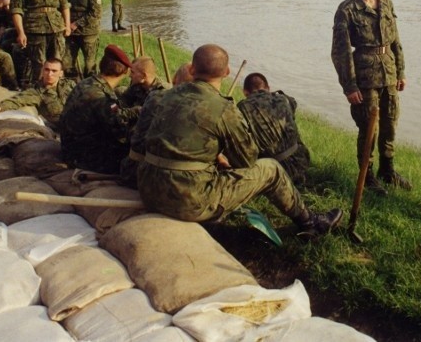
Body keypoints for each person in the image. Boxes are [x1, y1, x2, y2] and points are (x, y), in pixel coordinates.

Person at [135, 44, 342, 238]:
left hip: (148, 189)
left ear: (192, 68)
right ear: (227, 73)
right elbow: (247, 160)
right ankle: (311, 224)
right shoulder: (224, 109)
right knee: (270, 169)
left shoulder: (160, 97)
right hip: (186, 201)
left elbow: (153, 141)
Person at [331, 0, 410, 195]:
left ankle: (388, 170)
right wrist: (349, 86)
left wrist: (401, 71)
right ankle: (368, 176)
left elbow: (395, 41)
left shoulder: (386, 3)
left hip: (389, 73)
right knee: (369, 129)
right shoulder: (347, 10)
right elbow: (341, 51)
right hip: (365, 78)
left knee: (390, 126)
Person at [59, 44, 140, 174]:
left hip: (70, 148)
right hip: (85, 158)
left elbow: (111, 114)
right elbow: (119, 133)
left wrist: (133, 111)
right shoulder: (103, 97)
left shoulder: (87, 82)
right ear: (124, 72)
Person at [237, 72, 311, 187]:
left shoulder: (242, 108)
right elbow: (293, 104)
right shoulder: (284, 99)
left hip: (274, 172)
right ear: (268, 88)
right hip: (301, 161)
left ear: (245, 92)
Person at [11, 0, 71, 88]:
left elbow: (64, 4)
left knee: (57, 62)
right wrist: (21, 32)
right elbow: (16, 10)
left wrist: (67, 25)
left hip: (56, 27)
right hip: (35, 29)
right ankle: (39, 92)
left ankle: (58, 92)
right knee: (39, 63)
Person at [0, 58, 76, 131]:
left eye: (54, 71)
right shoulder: (37, 92)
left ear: (61, 73)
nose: (49, 74)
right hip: (67, 128)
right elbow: (19, 100)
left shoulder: (70, 84)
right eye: (47, 70)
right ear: (42, 71)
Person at [64, 0, 102, 79]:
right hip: (70, 33)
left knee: (89, 66)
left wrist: (76, 24)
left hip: (88, 33)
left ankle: (89, 93)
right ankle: (72, 91)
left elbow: (96, 12)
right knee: (67, 65)